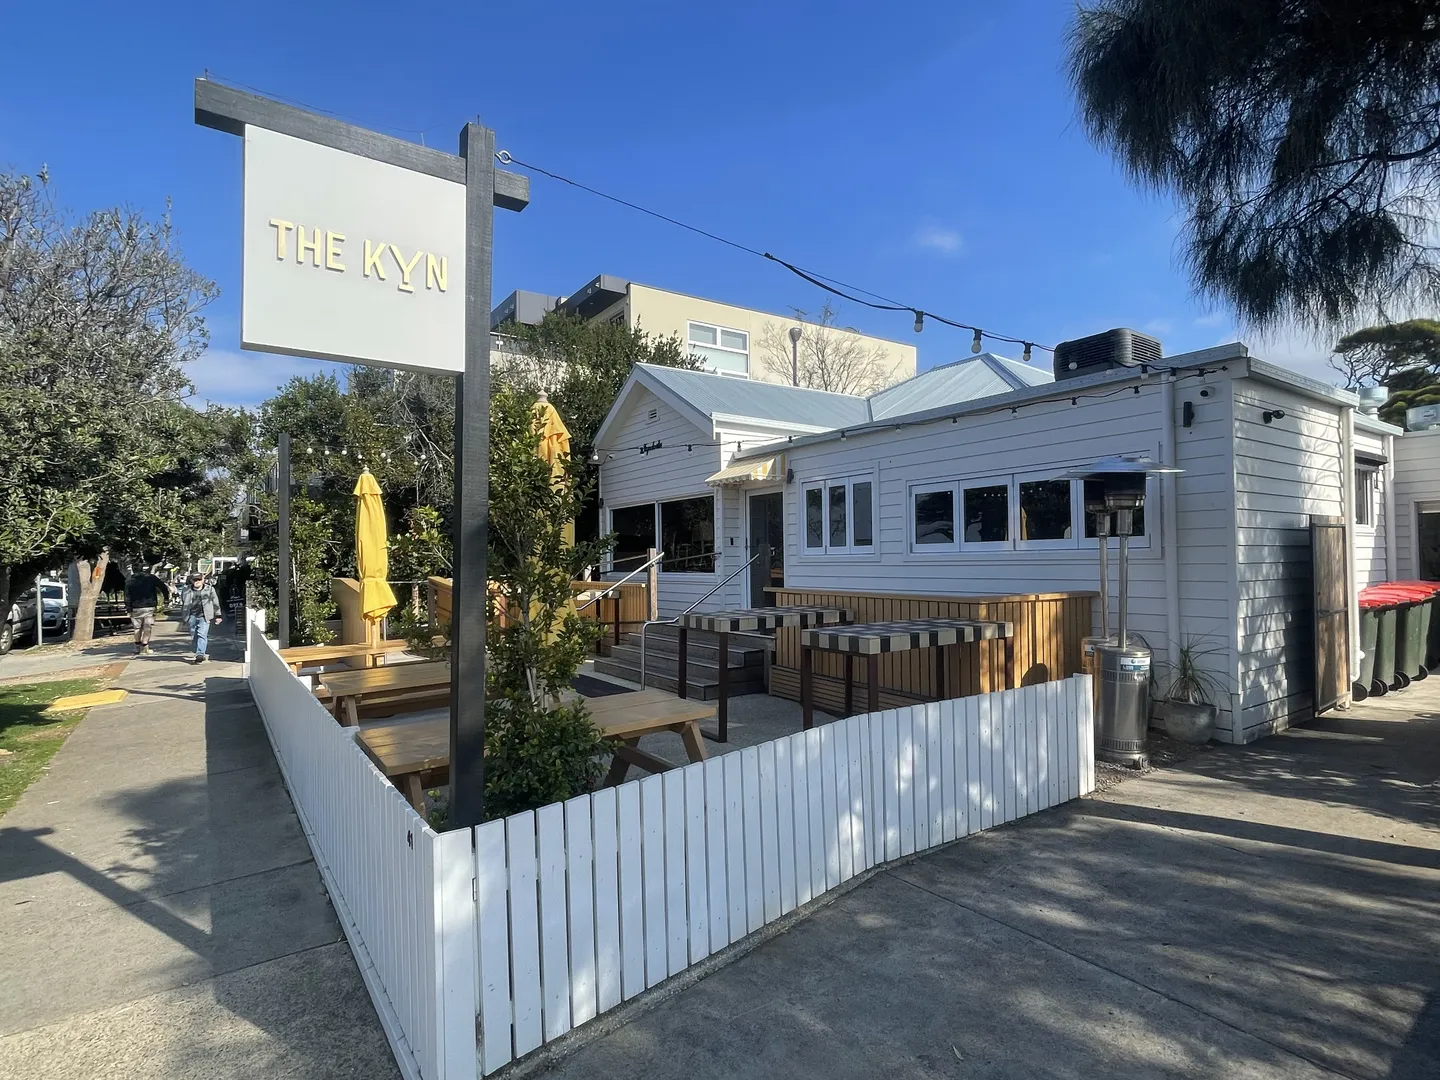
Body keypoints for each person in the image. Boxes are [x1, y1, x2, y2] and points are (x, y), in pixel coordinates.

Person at [124, 566, 170, 656]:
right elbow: (163, 587)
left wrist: (128, 607)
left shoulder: (129, 580)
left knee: (137, 628)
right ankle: (145, 647)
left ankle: (137, 646)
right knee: (147, 627)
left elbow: (127, 595)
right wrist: (166, 599)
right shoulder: (151, 578)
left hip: (135, 607)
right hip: (150, 606)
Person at [179, 572, 223, 664]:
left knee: (202, 634)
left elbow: (216, 602)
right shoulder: (186, 590)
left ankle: (200, 654)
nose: (197, 581)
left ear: (203, 580)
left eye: (199, 579)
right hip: (191, 616)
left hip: (205, 616)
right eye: (195, 580)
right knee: (194, 635)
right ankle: (197, 651)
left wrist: (218, 615)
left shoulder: (210, 589)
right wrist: (184, 617)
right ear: (191, 580)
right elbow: (183, 602)